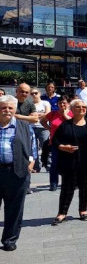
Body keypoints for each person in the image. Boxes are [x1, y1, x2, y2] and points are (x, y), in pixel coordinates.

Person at [0, 95, 36, 251]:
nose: (7, 110)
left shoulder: (24, 126)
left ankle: (9, 239)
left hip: (17, 171)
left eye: (10, 108)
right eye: (3, 107)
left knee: (14, 208)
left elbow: (33, 145)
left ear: (15, 110)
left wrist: (31, 162)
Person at [41, 96, 72, 191]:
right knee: (54, 164)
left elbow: (73, 124)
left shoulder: (72, 113)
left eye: (64, 103)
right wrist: (49, 128)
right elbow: (43, 121)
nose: (62, 105)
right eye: (60, 103)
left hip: (69, 142)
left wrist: (65, 114)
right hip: (55, 142)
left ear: (68, 104)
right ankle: (53, 183)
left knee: (69, 164)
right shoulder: (53, 113)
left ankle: (68, 183)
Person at [31, 89, 51, 172]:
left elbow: (48, 113)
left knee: (46, 146)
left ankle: (49, 165)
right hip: (32, 127)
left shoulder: (45, 103)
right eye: (32, 93)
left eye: (36, 93)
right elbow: (29, 115)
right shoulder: (30, 104)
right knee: (33, 148)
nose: (34, 95)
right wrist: (40, 115)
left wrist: (37, 115)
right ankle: (36, 167)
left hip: (43, 127)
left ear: (39, 94)